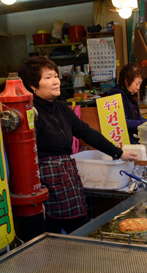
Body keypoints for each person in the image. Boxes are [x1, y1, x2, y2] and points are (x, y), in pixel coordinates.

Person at [18, 56, 138, 234]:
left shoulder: (61, 108)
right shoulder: (30, 112)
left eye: (56, 76)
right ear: (33, 86)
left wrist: (118, 153)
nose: (56, 81)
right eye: (48, 77)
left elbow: (87, 133)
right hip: (44, 180)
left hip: (66, 175)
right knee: (53, 232)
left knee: (79, 227)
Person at [109, 63, 147, 144]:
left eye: (140, 84)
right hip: (124, 141)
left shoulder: (131, 95)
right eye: (137, 84)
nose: (138, 87)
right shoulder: (116, 95)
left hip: (134, 137)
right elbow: (123, 122)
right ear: (127, 81)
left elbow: (137, 117)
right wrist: (146, 122)